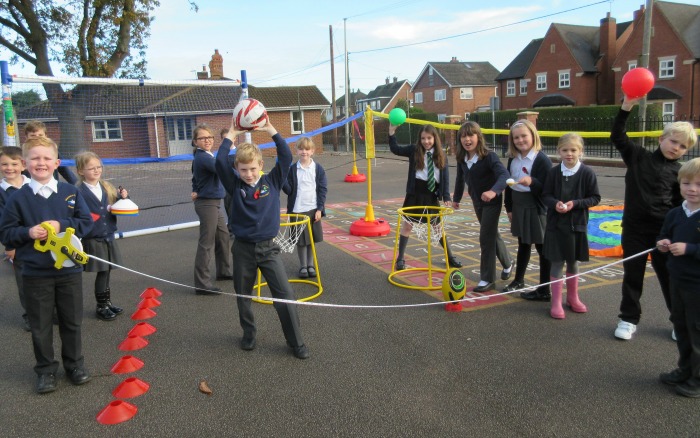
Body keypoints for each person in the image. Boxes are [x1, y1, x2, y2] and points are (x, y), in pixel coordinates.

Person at [0, 137, 93, 394]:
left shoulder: (71, 192)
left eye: (46, 158)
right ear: (24, 164)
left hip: (69, 270)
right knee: (40, 325)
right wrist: (27, 233)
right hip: (34, 273)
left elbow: (86, 223)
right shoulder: (16, 199)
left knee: (71, 321)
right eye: (35, 158)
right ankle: (45, 370)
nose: (41, 163)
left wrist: (61, 225)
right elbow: (6, 233)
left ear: (56, 163)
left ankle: (74, 365)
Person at [215, 119, 309, 360]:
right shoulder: (234, 185)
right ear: (236, 169)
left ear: (260, 166)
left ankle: (296, 341)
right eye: (243, 169)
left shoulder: (272, 181)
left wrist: (270, 129)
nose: (248, 174)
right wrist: (232, 134)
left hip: (269, 249)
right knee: (243, 296)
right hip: (243, 249)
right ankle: (249, 334)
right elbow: (219, 161)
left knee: (285, 296)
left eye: (253, 169)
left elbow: (286, 157)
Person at [611, 95, 698, 340]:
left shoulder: (681, 172)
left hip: (664, 234)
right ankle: (628, 319)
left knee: (670, 278)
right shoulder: (638, 157)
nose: (676, 148)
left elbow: (681, 206)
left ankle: (678, 322)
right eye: (673, 142)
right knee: (632, 275)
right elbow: (617, 136)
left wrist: (675, 236)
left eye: (683, 147)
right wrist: (626, 107)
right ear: (661, 139)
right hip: (635, 230)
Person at [542, 133, 601, 319]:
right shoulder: (553, 172)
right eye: (565, 150)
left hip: (577, 226)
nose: (569, 154)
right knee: (557, 262)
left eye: (573, 150)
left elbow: (595, 198)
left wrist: (575, 204)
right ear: (558, 151)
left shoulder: (587, 173)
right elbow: (545, 196)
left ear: (581, 152)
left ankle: (573, 297)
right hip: (556, 226)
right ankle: (557, 301)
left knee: (573, 261)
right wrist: (555, 204)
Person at [389, 123, 461, 271]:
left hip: (431, 194)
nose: (426, 141)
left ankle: (450, 256)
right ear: (419, 139)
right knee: (408, 225)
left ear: (435, 138)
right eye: (423, 138)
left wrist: (446, 196)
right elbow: (395, 149)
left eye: (429, 138)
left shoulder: (441, 155)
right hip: (415, 193)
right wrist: (391, 132)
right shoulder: (414, 150)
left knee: (437, 227)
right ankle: (400, 258)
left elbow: (445, 177)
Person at [453, 121, 514, 292]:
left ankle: (487, 279)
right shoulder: (462, 159)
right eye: (463, 136)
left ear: (478, 137)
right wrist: (456, 198)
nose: (467, 139)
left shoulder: (489, 156)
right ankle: (508, 262)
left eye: (470, 135)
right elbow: (460, 179)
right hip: (477, 201)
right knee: (492, 234)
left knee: (485, 238)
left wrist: (494, 191)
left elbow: (505, 175)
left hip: (492, 202)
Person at [657, 158, 700, 398]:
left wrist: (690, 249)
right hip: (678, 280)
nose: (692, 189)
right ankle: (684, 369)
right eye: (686, 183)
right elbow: (664, 234)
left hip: (697, 284)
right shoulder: (675, 213)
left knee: (697, 331)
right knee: (681, 326)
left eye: (698, 184)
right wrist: (662, 243)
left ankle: (698, 378)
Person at [74, 151, 128, 320]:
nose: (96, 171)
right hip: (93, 237)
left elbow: (119, 204)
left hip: (108, 235)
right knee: (102, 271)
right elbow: (77, 214)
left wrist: (124, 197)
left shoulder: (106, 187)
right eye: (91, 168)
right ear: (81, 171)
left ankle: (108, 303)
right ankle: (101, 306)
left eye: (99, 167)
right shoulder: (78, 191)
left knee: (108, 270)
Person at [503, 120, 552, 300]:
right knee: (523, 244)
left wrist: (532, 182)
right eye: (516, 137)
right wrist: (509, 208)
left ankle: (544, 289)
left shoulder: (541, 160)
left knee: (542, 248)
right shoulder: (512, 158)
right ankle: (518, 280)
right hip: (518, 204)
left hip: (536, 206)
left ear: (533, 136)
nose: (520, 140)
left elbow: (548, 189)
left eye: (524, 136)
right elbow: (509, 185)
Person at [191, 125, 232, 296]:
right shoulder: (203, 158)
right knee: (206, 243)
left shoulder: (205, 157)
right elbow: (221, 168)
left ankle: (223, 271)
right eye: (202, 138)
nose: (207, 140)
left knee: (223, 236)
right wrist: (229, 143)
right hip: (207, 204)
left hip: (213, 203)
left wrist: (195, 188)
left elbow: (195, 177)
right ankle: (202, 284)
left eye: (210, 137)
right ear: (195, 142)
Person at [283, 137, 327, 278]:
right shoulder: (292, 169)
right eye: (301, 149)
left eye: (307, 149)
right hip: (297, 210)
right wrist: (282, 177)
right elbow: (289, 190)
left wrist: (320, 209)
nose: (304, 152)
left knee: (311, 240)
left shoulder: (318, 168)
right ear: (296, 150)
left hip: (313, 209)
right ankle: (303, 266)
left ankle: (310, 265)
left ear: (312, 151)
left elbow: (322, 189)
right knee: (300, 241)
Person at [0, 146, 31, 330]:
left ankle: (50, 312)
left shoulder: (34, 184)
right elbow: (3, 223)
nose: (9, 167)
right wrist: (9, 245)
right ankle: (30, 315)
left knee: (47, 279)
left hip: (43, 241)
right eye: (4, 164)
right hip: (19, 245)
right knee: (25, 281)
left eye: (14, 163)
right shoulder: (2, 192)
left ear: (23, 164)